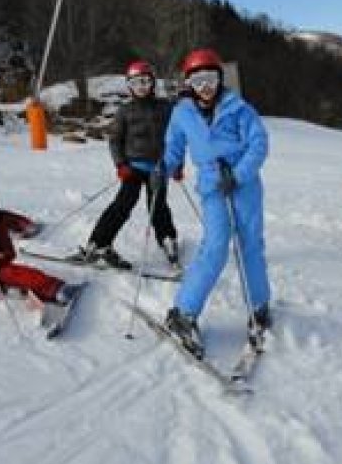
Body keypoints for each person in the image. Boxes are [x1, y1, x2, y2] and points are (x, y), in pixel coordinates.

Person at [159, 48, 272, 356]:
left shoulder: (239, 108)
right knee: (215, 246)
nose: (205, 86)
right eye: (197, 80)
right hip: (212, 186)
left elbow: (259, 144)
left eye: (210, 78)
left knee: (250, 245)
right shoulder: (182, 113)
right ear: (188, 83)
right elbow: (174, 148)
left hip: (244, 184)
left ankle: (259, 306)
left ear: (220, 79)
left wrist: (238, 174)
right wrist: (164, 168)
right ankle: (184, 312)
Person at [70, 59, 180, 269]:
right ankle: (99, 244)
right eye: (137, 82)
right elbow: (115, 140)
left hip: (158, 167)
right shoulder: (125, 111)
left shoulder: (165, 108)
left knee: (158, 207)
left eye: (146, 82)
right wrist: (120, 164)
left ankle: (168, 240)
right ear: (129, 85)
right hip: (134, 167)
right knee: (123, 203)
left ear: (153, 83)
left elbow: (177, 137)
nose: (142, 87)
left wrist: (177, 164)